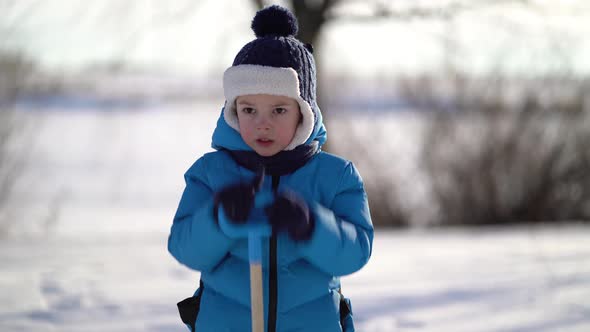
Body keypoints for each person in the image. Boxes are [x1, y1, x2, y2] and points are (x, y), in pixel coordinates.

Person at [168, 5, 373, 332]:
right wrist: (220, 219)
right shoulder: (210, 173)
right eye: (249, 109)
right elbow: (185, 248)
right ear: (233, 111)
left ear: (303, 112)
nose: (262, 124)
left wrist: (311, 225)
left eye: (278, 110)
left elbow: (354, 254)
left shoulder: (336, 177)